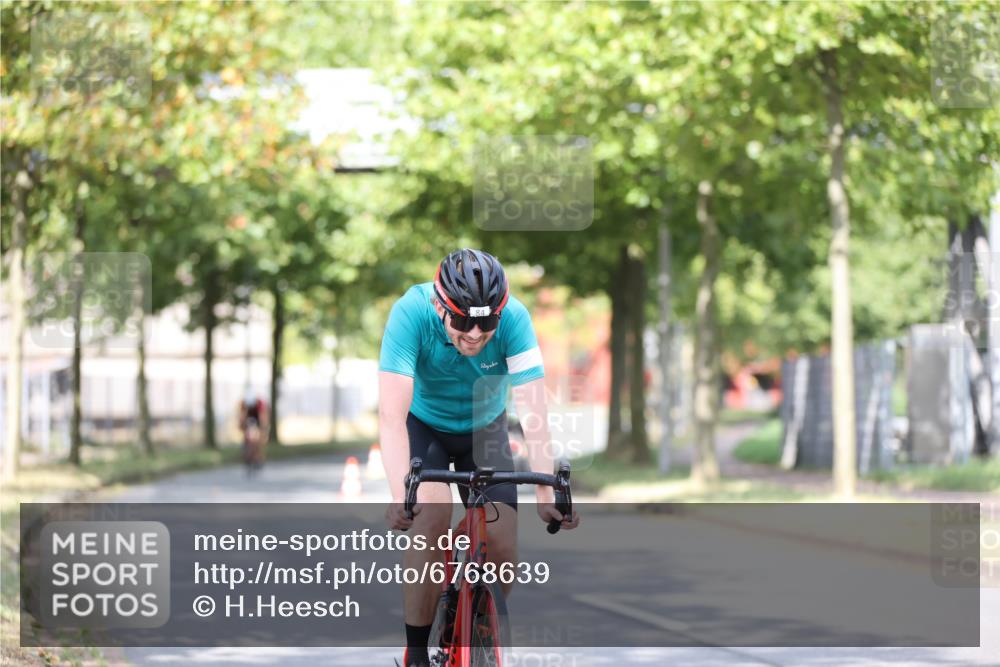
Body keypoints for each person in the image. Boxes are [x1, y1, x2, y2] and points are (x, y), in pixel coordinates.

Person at [379, 248, 580, 667]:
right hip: (425, 426)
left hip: (485, 427)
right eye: (462, 320)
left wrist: (547, 496)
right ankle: (416, 653)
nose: (474, 333)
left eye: (486, 322)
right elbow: (391, 416)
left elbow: (534, 416)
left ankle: (479, 631)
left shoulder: (517, 320)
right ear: (440, 306)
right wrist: (401, 493)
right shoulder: (410, 313)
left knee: (504, 545)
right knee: (431, 516)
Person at [238, 387, 268, 472]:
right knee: (246, 436)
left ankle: (259, 457)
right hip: (248, 420)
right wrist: (241, 427)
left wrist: (263, 429)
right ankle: (246, 455)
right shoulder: (243, 403)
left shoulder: (260, 403)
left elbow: (263, 418)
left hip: (257, 420)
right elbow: (241, 416)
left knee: (258, 439)